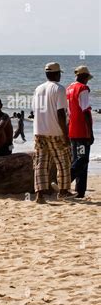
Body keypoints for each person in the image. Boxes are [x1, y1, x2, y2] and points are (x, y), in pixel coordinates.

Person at [32, 62, 74, 204]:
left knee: (41, 164)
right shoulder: (59, 89)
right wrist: (66, 133)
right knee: (63, 162)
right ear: (56, 74)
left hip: (39, 131)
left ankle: (39, 195)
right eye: (59, 73)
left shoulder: (38, 89)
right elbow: (61, 113)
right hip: (55, 131)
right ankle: (63, 192)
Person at [66, 66, 94, 198]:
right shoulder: (83, 88)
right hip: (82, 130)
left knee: (77, 159)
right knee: (82, 159)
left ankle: (80, 191)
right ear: (83, 77)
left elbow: (68, 112)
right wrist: (91, 132)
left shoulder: (69, 89)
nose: (87, 81)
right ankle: (65, 183)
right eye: (87, 78)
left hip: (72, 129)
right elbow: (86, 111)